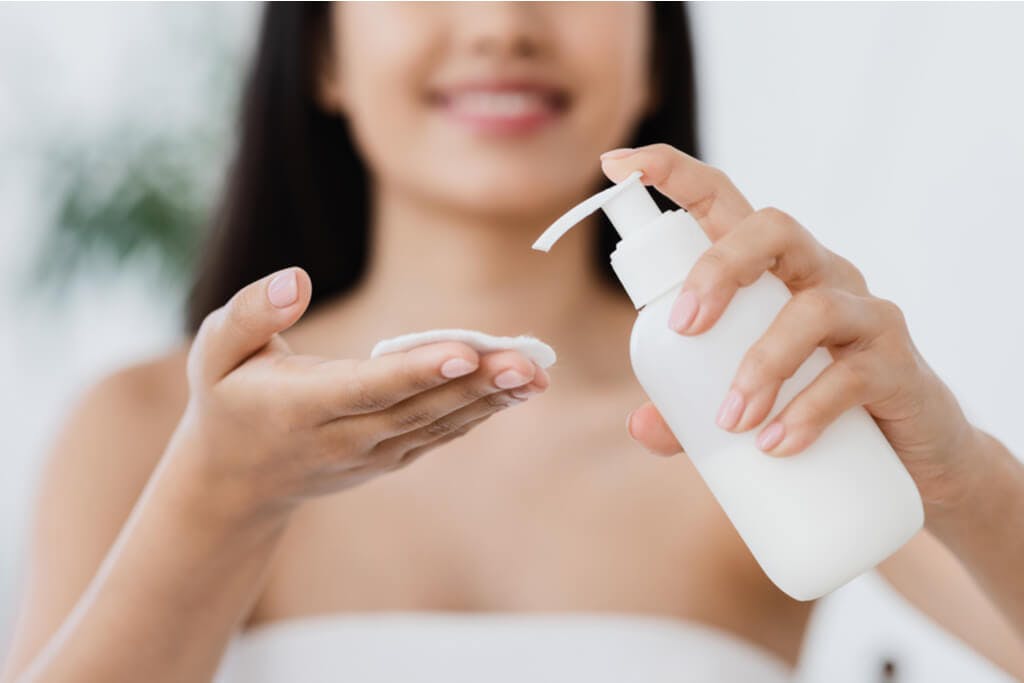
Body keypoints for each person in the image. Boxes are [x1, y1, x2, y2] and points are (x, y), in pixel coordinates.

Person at [4, 3, 1023, 681]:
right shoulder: (151, 431)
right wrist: (224, 496)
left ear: (651, 43)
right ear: (319, 48)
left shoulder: (757, 414)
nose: (500, 25)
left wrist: (963, 474)